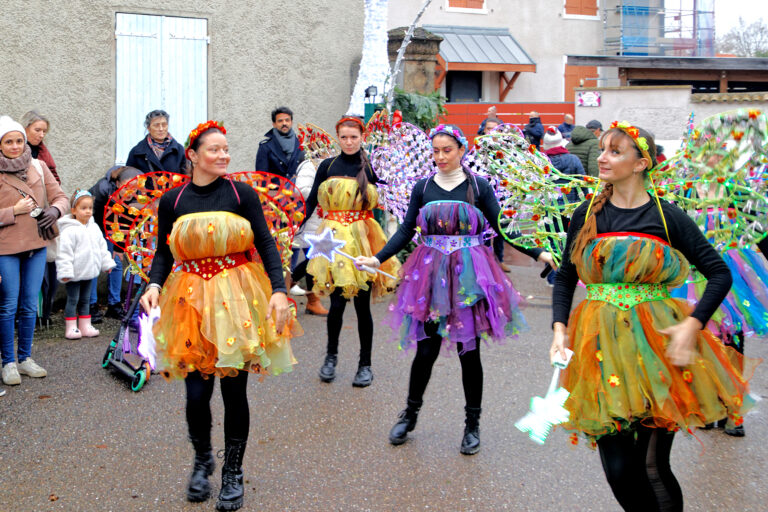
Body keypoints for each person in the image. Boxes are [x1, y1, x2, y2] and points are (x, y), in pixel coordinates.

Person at [550, 122, 754, 511]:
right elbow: (565, 275)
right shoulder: (587, 213)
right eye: (603, 149)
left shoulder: (668, 216)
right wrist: (559, 329)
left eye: (614, 151)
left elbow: (718, 272)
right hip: (599, 347)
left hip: (655, 347)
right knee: (619, 467)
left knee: (652, 465)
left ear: (642, 162)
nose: (603, 157)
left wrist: (691, 325)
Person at [356, 124, 556, 455]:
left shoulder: (479, 186)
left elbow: (502, 227)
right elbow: (407, 230)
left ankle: (472, 425)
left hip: (469, 279)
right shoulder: (423, 187)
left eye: (447, 150)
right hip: (430, 278)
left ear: (461, 150)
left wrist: (538, 253)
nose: (440, 157)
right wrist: (377, 259)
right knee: (425, 351)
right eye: (435, 151)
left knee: (469, 353)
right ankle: (409, 415)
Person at [140, 121, 299, 511]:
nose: (223, 155)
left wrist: (279, 289)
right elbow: (163, 251)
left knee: (233, 391)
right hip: (189, 301)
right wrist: (154, 284)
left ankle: (233, 473)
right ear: (193, 155)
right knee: (196, 394)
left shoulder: (240, 193)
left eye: (226, 148)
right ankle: (201, 460)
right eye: (214, 149)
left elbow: (265, 242)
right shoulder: (173, 201)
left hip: (237, 298)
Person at [304, 116, 400, 387]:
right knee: (335, 305)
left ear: (362, 138)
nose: (348, 142)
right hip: (332, 241)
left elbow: (390, 198)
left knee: (362, 307)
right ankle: (330, 358)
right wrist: (292, 227)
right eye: (344, 137)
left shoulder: (370, 166)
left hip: (362, 241)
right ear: (338, 137)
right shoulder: (327, 165)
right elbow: (312, 201)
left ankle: (365, 364)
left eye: (353, 137)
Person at [0, 116, 68, 386]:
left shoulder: (38, 166)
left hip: (37, 245)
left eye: (18, 140)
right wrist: (12, 212)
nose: (15, 146)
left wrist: (55, 210)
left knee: (30, 305)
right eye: (8, 142)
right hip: (6, 248)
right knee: (7, 306)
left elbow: (60, 197)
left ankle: (25, 358)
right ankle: (8, 362)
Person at [55, 190, 116, 339]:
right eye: (83, 208)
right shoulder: (69, 231)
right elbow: (63, 253)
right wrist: (65, 272)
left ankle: (85, 325)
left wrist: (106, 263)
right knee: (73, 299)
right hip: (74, 274)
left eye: (90, 208)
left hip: (89, 271)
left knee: (86, 299)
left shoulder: (94, 228)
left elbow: (102, 248)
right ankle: (71, 327)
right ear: (74, 210)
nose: (88, 211)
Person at [21, 110, 61, 328]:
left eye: (44, 131)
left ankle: (43, 314)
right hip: (21, 215)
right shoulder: (17, 152)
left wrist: (53, 208)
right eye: (37, 130)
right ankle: (28, 315)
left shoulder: (43, 156)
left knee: (48, 268)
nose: (41, 135)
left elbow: (55, 183)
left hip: (43, 216)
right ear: (25, 127)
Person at [88, 165, 143, 322]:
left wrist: (119, 247)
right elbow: (94, 216)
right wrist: (102, 241)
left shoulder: (138, 196)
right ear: (118, 184)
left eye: (134, 188)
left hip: (116, 228)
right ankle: (90, 305)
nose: (130, 192)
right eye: (126, 188)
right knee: (96, 262)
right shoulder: (102, 190)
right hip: (96, 225)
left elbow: (127, 222)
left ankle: (114, 304)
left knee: (117, 261)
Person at [288, 158, 329, 315]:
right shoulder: (308, 165)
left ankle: (293, 282)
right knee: (314, 259)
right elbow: (302, 190)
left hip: (321, 220)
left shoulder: (326, 163)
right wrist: (325, 192)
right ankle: (313, 301)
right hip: (310, 220)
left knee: (316, 259)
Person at [125, 110, 186, 174]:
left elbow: (186, 178)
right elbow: (129, 178)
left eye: (164, 125)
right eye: (156, 125)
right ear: (148, 128)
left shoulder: (179, 150)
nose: (161, 129)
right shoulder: (137, 152)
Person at [255, 106, 304, 180]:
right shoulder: (265, 147)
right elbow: (261, 179)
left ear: (291, 122)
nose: (284, 123)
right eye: (280, 121)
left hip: (297, 190)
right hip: (275, 191)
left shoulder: (301, 145)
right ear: (274, 124)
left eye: (287, 120)